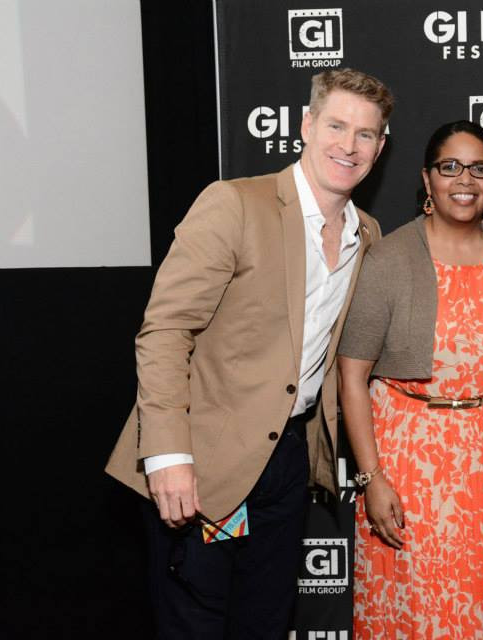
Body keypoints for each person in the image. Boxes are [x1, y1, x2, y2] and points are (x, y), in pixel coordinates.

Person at [105, 68, 393, 637]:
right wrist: (167, 455)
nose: (349, 145)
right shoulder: (234, 204)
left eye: (365, 134)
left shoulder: (368, 235)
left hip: (287, 462)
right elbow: (165, 330)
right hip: (201, 458)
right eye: (336, 126)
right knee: (194, 625)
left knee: (265, 624)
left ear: (380, 148)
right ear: (307, 126)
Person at [338, 120, 483, 639]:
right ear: (427, 179)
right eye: (450, 167)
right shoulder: (389, 259)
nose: (464, 180)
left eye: (479, 169)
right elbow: (351, 375)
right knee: (419, 609)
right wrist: (371, 478)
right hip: (412, 466)